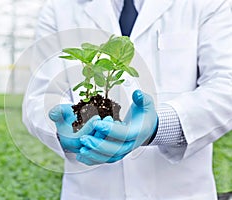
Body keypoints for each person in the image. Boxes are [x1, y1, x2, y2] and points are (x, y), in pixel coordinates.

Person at [22, 0, 232, 199]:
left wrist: (158, 126)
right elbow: (40, 96)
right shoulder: (60, 7)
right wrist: (63, 129)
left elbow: (226, 85)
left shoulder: (210, 3)